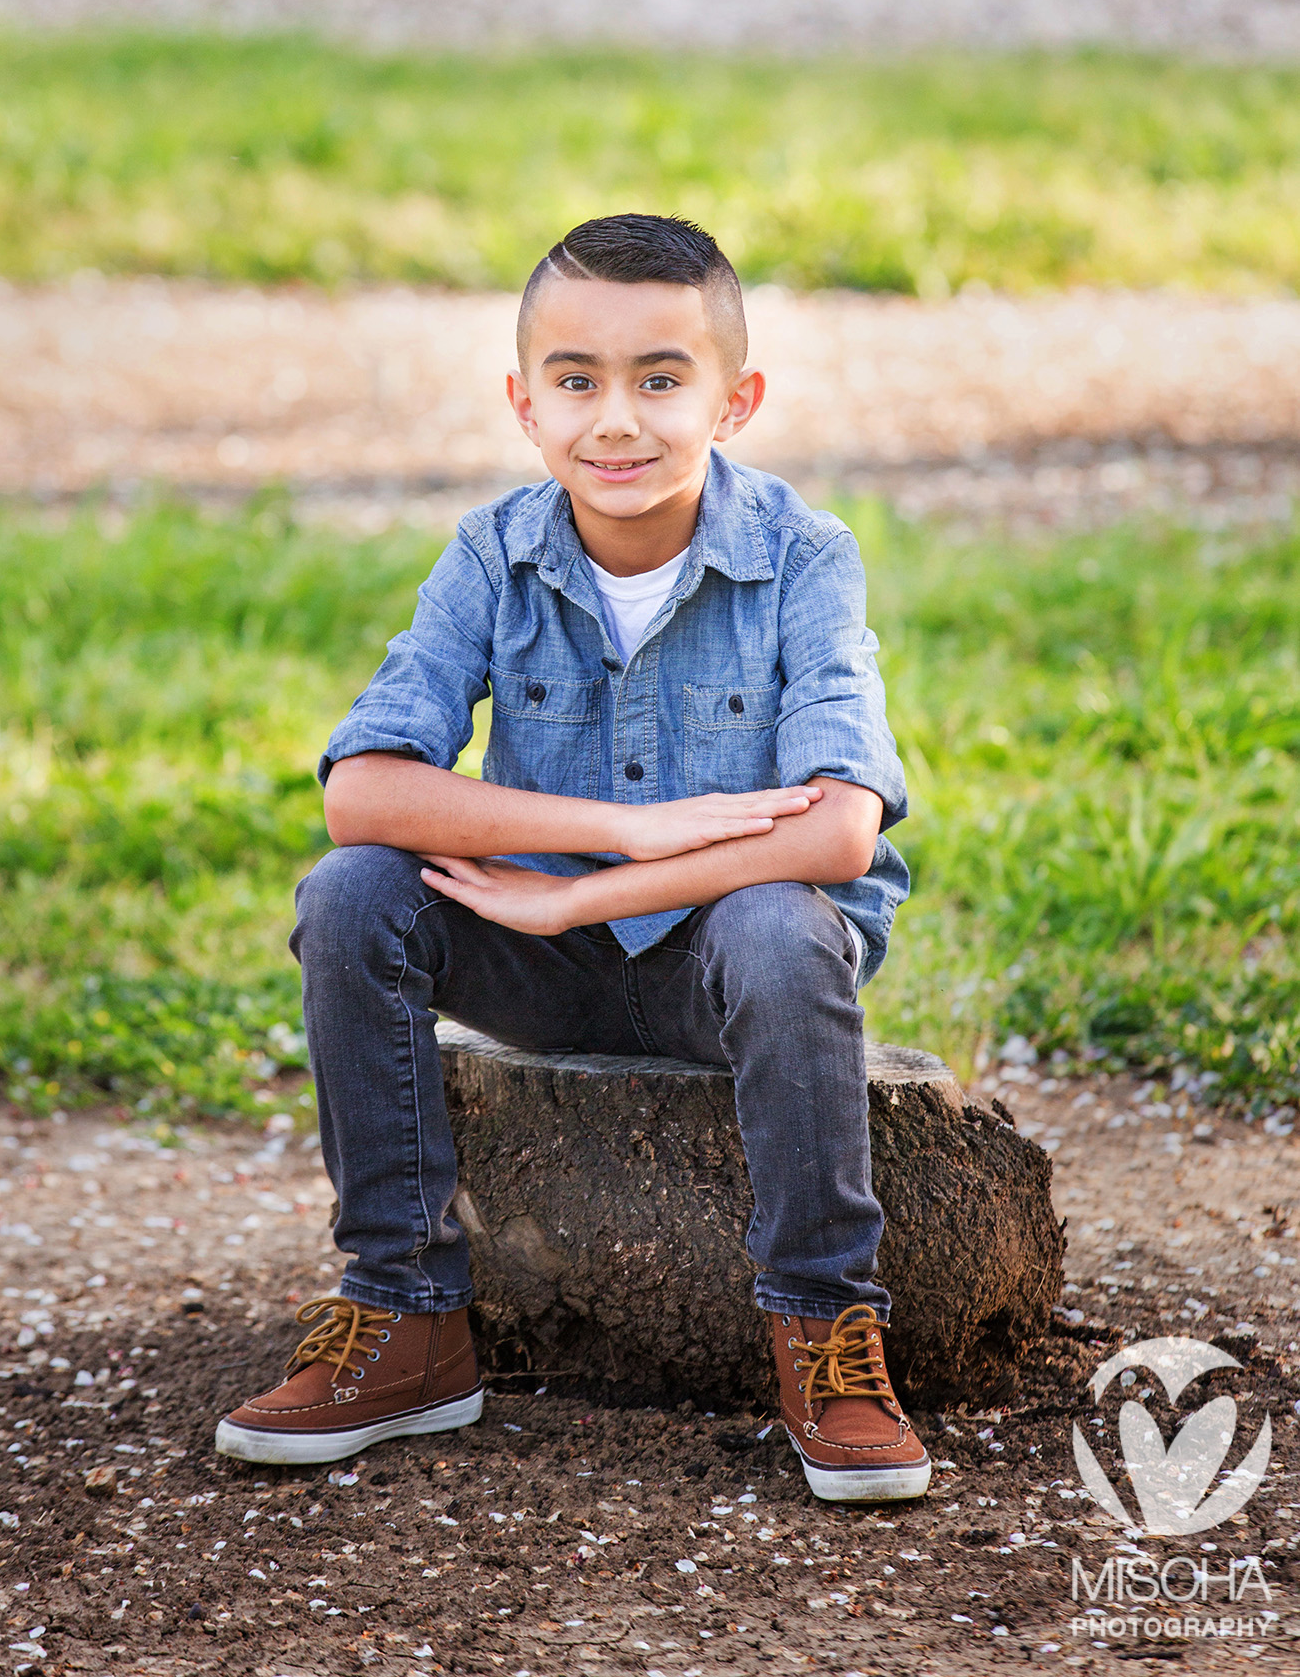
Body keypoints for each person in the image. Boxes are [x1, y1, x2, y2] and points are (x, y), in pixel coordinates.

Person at [216, 213, 929, 1503]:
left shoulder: (803, 556)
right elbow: (364, 792)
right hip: (550, 963)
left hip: (735, 969)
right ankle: (408, 1316)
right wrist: (617, 832)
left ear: (737, 399)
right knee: (353, 897)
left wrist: (597, 894)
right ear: (522, 402)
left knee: (779, 923)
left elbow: (837, 828)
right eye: (576, 379)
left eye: (663, 379)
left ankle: (825, 1328)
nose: (618, 419)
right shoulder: (495, 556)